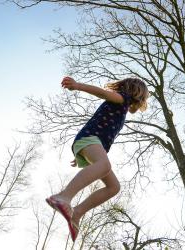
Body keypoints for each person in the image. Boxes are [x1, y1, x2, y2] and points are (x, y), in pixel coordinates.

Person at [46, 76, 149, 242]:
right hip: (89, 139)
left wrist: (83, 153)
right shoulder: (122, 98)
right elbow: (102, 93)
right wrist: (78, 85)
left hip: (91, 143)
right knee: (104, 165)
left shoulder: (121, 107)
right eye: (143, 98)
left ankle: (77, 213)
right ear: (136, 94)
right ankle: (63, 197)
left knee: (114, 187)